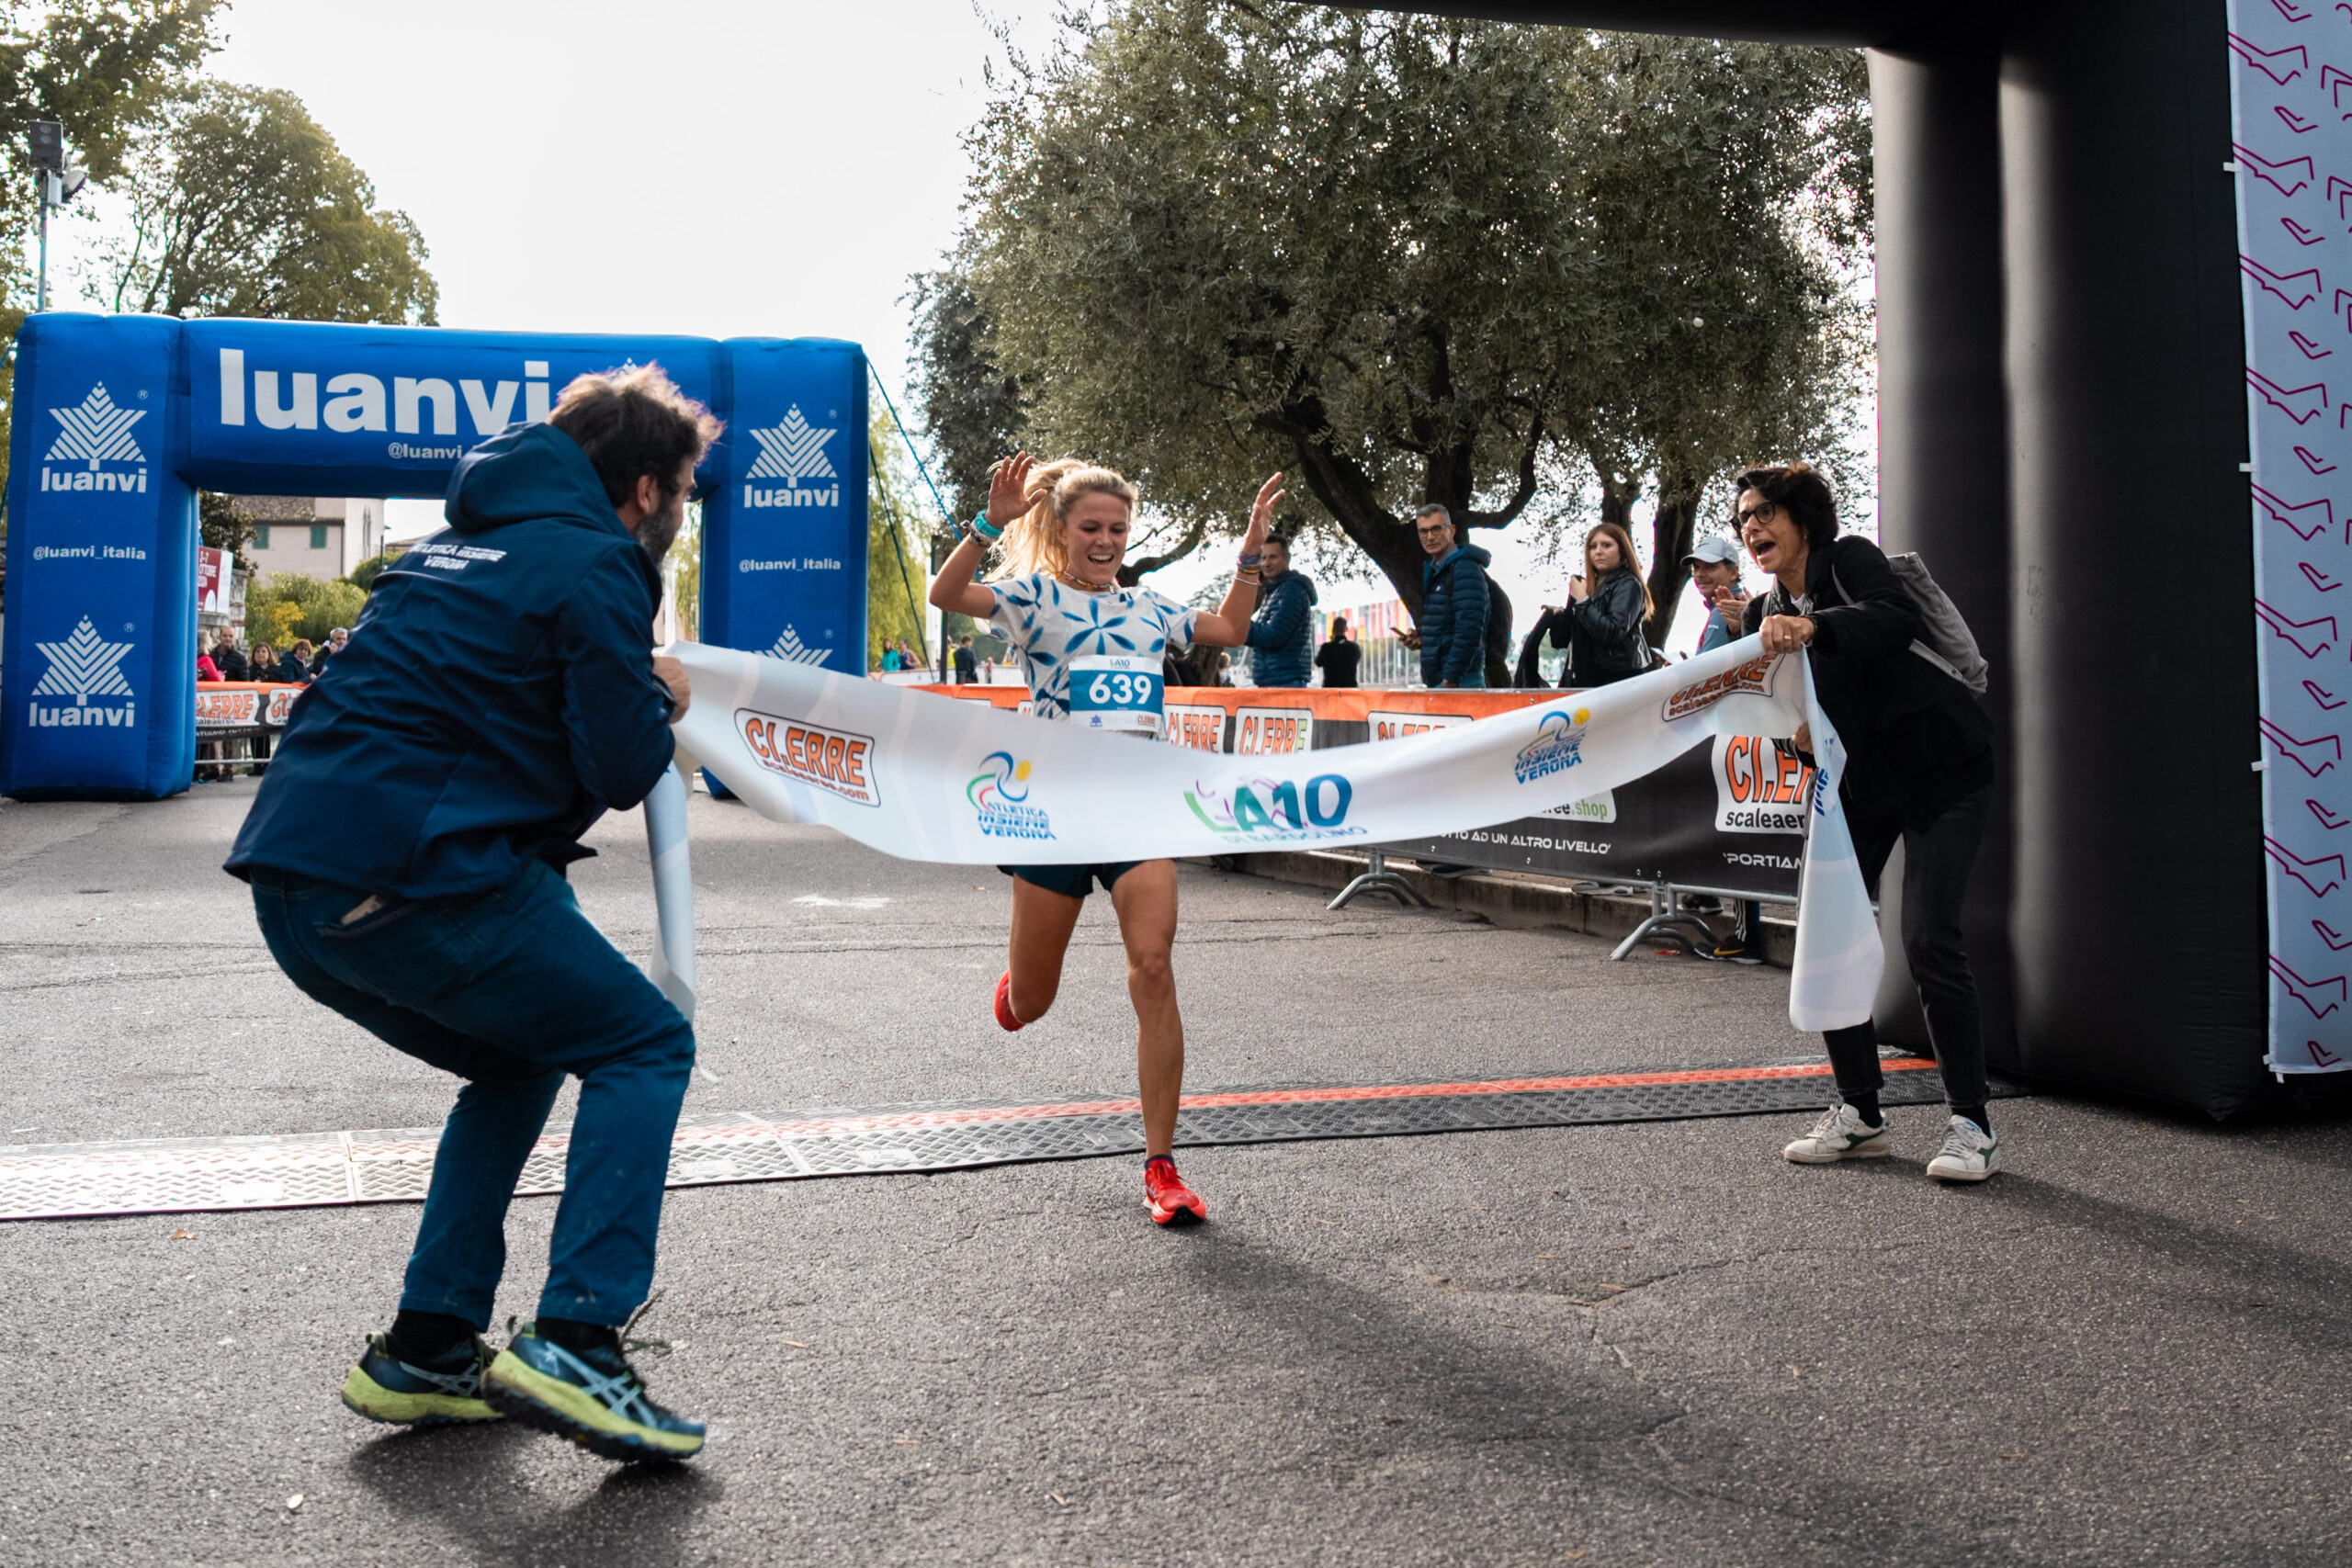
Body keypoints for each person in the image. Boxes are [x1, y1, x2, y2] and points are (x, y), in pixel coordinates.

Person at [225, 364, 720, 1460]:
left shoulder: (447, 550)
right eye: (685, 491)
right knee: (643, 1045)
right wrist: (660, 691)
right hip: (413, 882)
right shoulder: (598, 559)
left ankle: (428, 1342)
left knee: (516, 1061)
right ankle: (578, 1340)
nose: (681, 513)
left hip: (297, 891)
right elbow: (625, 760)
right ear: (645, 488)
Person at [928, 451, 1283, 1226]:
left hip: (1136, 812)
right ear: (1061, 528)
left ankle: (1162, 1166)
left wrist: (1249, 553)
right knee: (1036, 997)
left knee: (1154, 967)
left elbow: (1226, 626)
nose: (1105, 538)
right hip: (1056, 818)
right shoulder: (1034, 599)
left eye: (1118, 527)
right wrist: (991, 522)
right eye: (1091, 526)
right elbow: (946, 594)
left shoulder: (1151, 608)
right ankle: (1016, 994)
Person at [1736, 461, 2001, 1182]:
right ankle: (1860, 1115)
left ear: (1800, 518)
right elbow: (1805, 714)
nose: (1751, 527)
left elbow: (1894, 619)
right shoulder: (1768, 614)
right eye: (1743, 520)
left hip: (1946, 769)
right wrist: (1799, 734)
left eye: (1763, 512)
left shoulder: (1848, 559)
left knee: (1927, 938)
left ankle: (1971, 1124)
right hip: (1867, 782)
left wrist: (1814, 626)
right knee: (1831, 930)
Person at [1547, 521, 1654, 688]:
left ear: (1622, 550)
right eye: (1593, 546)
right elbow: (1561, 641)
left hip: (1617, 681)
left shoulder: (1629, 585)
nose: (1599, 551)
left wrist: (1582, 601)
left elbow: (1612, 631)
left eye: (1606, 545)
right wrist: (1559, 616)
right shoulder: (1586, 587)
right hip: (1583, 679)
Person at [1402, 504, 1489, 689]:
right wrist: (1422, 638)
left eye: (1436, 528)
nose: (1430, 536)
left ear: (1452, 530)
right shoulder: (1439, 571)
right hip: (1445, 682)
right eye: (1423, 532)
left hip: (1459, 683)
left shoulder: (1464, 568)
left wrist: (1450, 679)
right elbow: (1449, 627)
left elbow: (1469, 628)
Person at [1242, 534, 1317, 687]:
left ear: (1287, 558)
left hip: (1285, 682)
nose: (1266, 563)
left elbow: (1273, 636)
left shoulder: (1291, 590)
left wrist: (1238, 623)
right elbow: (1264, 637)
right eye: (1263, 558)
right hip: (1276, 680)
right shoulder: (1276, 591)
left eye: (1273, 557)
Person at [1685, 535, 1750, 655]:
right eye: (1696, 567)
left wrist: (1681, 672)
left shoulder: (1726, 609)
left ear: (1734, 573)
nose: (1700, 574)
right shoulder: (1731, 606)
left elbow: (1706, 669)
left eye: (1710, 567)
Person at [1315, 615, 1362, 688]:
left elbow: (1318, 662)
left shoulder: (1326, 647)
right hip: (1349, 688)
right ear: (1346, 629)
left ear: (1333, 629)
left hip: (1330, 688)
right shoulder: (1354, 648)